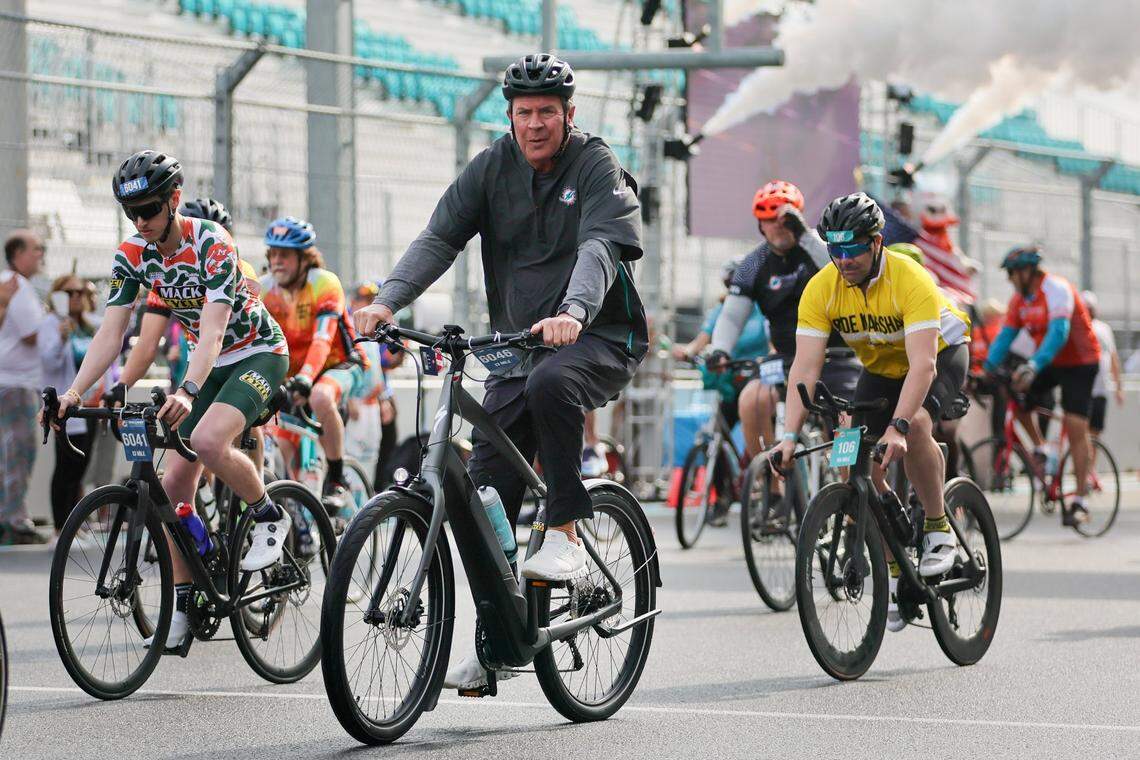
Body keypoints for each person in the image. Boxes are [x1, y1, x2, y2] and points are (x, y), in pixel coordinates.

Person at [353, 53, 647, 689]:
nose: (535, 123)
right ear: (509, 116)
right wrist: (387, 301)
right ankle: (499, 642)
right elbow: (439, 237)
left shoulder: (594, 164)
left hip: (598, 334)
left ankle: (565, 530)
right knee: (482, 498)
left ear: (569, 115)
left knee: (552, 383)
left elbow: (601, 246)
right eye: (523, 113)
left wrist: (574, 311)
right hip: (519, 343)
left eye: (547, 112)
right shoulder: (490, 167)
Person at [52, 150, 291, 651]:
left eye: (148, 210)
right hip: (209, 365)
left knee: (207, 440)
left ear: (174, 199)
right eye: (131, 213)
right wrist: (76, 392)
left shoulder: (212, 242)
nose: (140, 222)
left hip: (256, 353)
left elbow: (214, 330)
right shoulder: (132, 254)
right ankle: (183, 603)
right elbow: (112, 333)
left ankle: (269, 515)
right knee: (173, 489)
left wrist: (187, 389)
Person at [767, 192, 971, 633]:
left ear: (877, 242)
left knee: (915, 424)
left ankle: (938, 527)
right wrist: (788, 436)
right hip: (881, 368)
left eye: (854, 248)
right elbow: (804, 367)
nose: (844, 260)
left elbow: (923, 366)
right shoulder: (822, 287)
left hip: (940, 354)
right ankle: (895, 567)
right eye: (835, 250)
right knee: (849, 457)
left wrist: (897, 427)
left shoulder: (909, 278)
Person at [707, 180, 861, 511]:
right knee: (751, 399)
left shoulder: (818, 247)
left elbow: (841, 270)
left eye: (784, 219)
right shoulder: (753, 264)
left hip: (835, 355)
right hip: (787, 357)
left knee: (847, 421)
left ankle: (850, 495)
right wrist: (721, 349)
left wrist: (803, 233)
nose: (777, 226)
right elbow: (732, 316)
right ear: (759, 225)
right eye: (768, 220)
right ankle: (773, 485)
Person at [983, 246, 1100, 526]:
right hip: (1050, 361)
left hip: (1081, 362)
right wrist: (984, 369)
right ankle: (1041, 448)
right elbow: (1005, 337)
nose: (1010, 280)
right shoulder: (1019, 301)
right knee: (1014, 390)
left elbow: (1059, 333)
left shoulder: (1057, 289)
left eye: (1012, 274)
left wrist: (1034, 365)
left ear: (1026, 271)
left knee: (1076, 426)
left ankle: (1080, 500)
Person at [258, 216, 366, 507]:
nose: (277, 261)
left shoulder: (324, 283)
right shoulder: (265, 289)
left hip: (339, 363)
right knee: (284, 442)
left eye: (285, 255)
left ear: (304, 258)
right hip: (295, 373)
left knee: (320, 396)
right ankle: (302, 514)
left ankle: (337, 478)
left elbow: (322, 339)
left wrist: (306, 377)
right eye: (272, 254)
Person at [39, 275, 115, 541]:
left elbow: (106, 358)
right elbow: (48, 362)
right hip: (65, 407)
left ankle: (72, 523)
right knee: (66, 466)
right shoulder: (51, 323)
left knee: (80, 465)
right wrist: (61, 339)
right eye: (69, 292)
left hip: (90, 406)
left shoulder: (89, 324)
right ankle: (60, 527)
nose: (76, 297)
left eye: (80, 292)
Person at [0, 230, 47, 544]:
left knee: (8, 453)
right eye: (36, 249)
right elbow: (32, 334)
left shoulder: (10, 284)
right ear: (18, 254)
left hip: (11, 383)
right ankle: (14, 521)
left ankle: (8, 518)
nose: (40, 254)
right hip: (16, 385)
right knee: (20, 452)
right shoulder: (16, 285)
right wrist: (54, 323)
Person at [1080, 291, 1124, 448]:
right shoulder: (1077, 328)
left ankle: (1091, 462)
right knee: (1082, 430)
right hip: (1083, 389)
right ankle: (1083, 460)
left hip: (1101, 388)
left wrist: (1118, 387)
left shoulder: (1104, 329)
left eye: (1091, 308)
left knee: (1096, 431)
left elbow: (1113, 358)